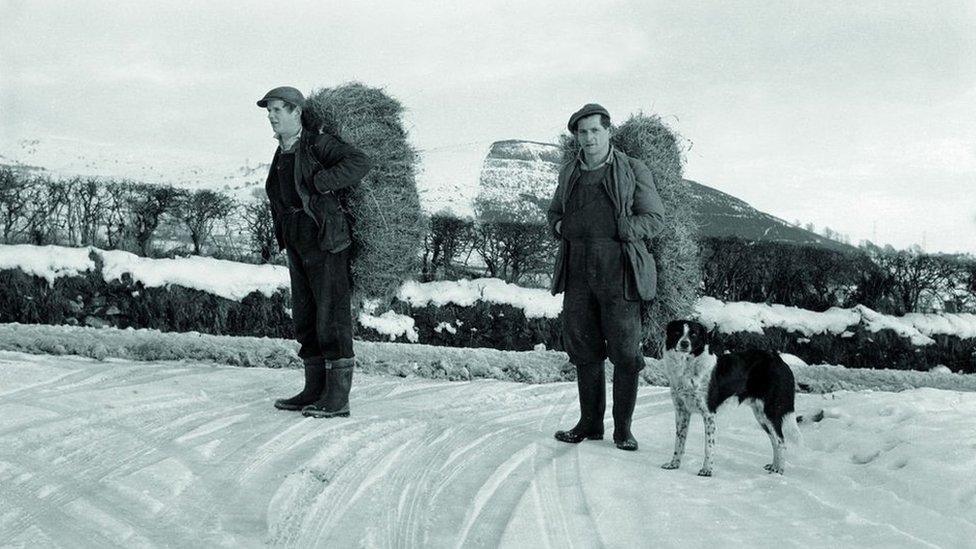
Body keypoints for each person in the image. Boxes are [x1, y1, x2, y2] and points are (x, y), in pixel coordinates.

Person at [548, 103, 665, 451]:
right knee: (583, 350)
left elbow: (655, 218)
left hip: (619, 272)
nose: (588, 138)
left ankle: (623, 429)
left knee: (626, 352)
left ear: (609, 132)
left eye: (595, 131)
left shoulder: (632, 169)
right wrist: (558, 225)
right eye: (582, 132)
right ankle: (590, 423)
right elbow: (554, 212)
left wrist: (623, 227)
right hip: (578, 273)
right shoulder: (569, 172)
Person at [257, 86, 371, 418]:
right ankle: (313, 388)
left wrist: (322, 183)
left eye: (278, 110)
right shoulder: (283, 151)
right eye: (269, 111)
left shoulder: (317, 143)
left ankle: (337, 398)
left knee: (332, 315)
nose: (271, 116)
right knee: (306, 316)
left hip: (326, 240)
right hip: (296, 241)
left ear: (297, 112)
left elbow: (359, 162)